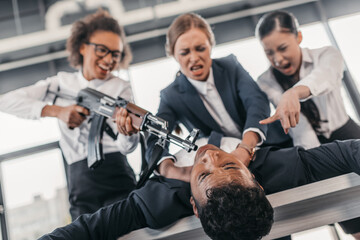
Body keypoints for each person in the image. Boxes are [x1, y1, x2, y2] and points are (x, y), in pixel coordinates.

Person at [39, 137, 360, 240]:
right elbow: (352, 152)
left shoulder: (157, 202)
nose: (209, 158)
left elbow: (87, 230)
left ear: (194, 204)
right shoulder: (287, 169)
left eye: (203, 175)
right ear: (257, 183)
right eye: (231, 165)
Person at [117, 13, 291, 181]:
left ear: (211, 45)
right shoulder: (171, 96)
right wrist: (172, 170)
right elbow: (156, 137)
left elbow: (256, 102)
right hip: (222, 166)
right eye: (185, 52)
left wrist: (245, 148)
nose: (194, 58)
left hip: (266, 146)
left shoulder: (231, 66)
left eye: (200, 49)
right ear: (173, 55)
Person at [0, 10, 139, 220]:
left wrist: (127, 133)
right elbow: (6, 101)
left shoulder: (121, 87)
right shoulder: (60, 83)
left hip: (117, 176)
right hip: (80, 186)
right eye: (102, 50)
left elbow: (126, 147)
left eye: (115, 54)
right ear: (83, 47)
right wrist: (58, 111)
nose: (109, 59)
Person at [256, 10, 360, 150]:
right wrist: (312, 155)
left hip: (346, 130)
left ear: (298, 37)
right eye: (269, 53)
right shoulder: (265, 80)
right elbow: (300, 128)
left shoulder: (327, 54)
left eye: (283, 48)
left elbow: (323, 77)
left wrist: (294, 93)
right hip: (306, 139)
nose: (278, 59)